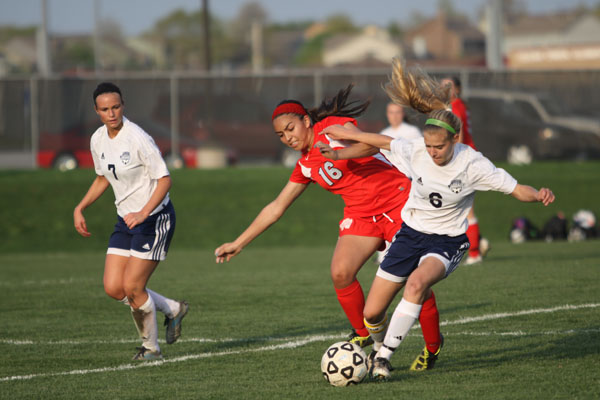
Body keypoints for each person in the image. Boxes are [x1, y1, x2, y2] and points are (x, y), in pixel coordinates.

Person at [317, 59, 555, 380]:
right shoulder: (417, 149)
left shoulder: (473, 164)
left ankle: (383, 357)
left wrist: (537, 193)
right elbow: (382, 142)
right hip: (410, 234)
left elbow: (514, 188)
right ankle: (379, 346)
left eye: (439, 147)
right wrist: (342, 146)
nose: (433, 153)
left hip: (448, 241)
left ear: (455, 140)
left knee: (416, 284)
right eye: (429, 146)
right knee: (372, 313)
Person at [215, 85, 444, 367]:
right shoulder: (305, 166)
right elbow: (276, 207)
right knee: (340, 273)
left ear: (306, 121)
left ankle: (433, 346)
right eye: (281, 135)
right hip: (361, 215)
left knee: (414, 280)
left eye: (290, 128)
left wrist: (338, 155)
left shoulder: (331, 127)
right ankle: (363, 335)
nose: (288, 137)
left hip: (399, 204)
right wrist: (239, 242)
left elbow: (373, 144)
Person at [73, 82, 189, 361]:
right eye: (105, 109)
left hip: (154, 219)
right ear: (96, 111)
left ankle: (151, 349)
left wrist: (144, 212)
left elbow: (164, 179)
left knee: (134, 288)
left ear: (123, 105)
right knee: (114, 288)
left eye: (116, 107)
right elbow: (103, 177)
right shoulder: (97, 139)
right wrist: (80, 207)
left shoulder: (138, 138)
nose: (111, 113)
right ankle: (173, 309)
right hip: (125, 220)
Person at [441, 76, 489, 265]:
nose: (445, 88)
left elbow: (457, 136)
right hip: (466, 158)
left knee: (465, 210)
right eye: (442, 85)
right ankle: (478, 243)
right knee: (456, 207)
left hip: (464, 160)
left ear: (458, 89)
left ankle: (475, 253)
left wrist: (452, 160)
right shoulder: (455, 105)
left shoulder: (455, 106)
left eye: (449, 86)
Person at [376, 102, 423, 264]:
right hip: (388, 183)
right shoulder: (384, 133)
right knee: (387, 218)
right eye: (391, 112)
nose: (394, 116)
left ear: (402, 113)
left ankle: (415, 252)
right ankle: (385, 255)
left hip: (408, 181)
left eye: (397, 112)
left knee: (406, 219)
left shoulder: (412, 132)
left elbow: (419, 156)